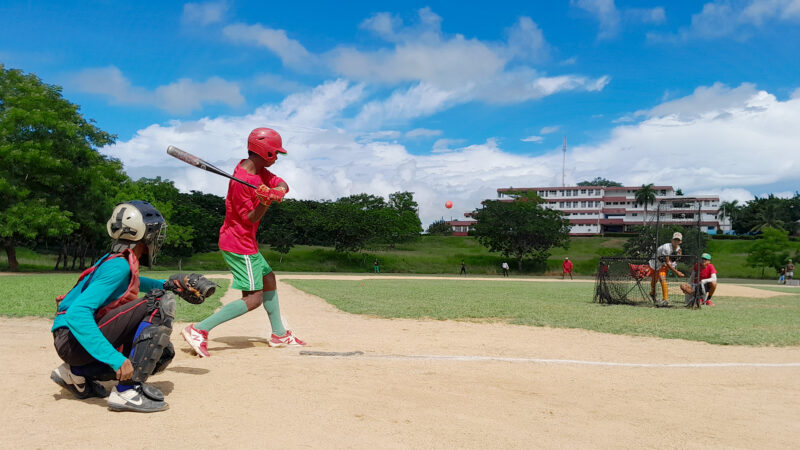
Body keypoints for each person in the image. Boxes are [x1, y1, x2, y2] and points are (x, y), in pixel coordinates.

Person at [50, 201, 214, 413]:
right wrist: (116, 359)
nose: (156, 239)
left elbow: (134, 281)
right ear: (142, 236)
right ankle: (128, 391)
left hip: (71, 341)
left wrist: (168, 284)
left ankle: (77, 373)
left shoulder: (116, 261)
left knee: (163, 353)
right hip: (71, 340)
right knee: (158, 302)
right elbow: (77, 313)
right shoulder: (118, 266)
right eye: (154, 233)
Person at [183, 127, 306, 358]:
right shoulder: (241, 182)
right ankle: (199, 329)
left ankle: (279, 333)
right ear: (265, 151)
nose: (277, 157)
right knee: (253, 298)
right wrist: (264, 202)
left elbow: (282, 183)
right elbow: (249, 220)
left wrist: (276, 191)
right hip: (239, 244)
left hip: (245, 241)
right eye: (275, 153)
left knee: (268, 278)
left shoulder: (257, 170)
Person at [649, 231, 685, 307]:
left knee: (662, 279)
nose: (676, 241)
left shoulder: (678, 248)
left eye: (678, 240)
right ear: (671, 240)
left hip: (663, 265)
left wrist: (678, 257)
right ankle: (652, 294)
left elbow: (675, 258)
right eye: (675, 239)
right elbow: (668, 263)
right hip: (654, 263)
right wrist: (677, 272)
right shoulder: (666, 248)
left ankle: (665, 300)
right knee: (654, 281)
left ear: (680, 241)